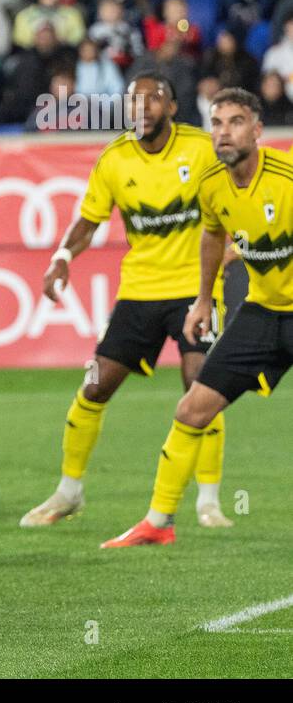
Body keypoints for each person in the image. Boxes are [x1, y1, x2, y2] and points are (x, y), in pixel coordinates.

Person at [23, 74, 230, 529]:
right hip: (139, 292)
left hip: (196, 291)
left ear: (172, 107)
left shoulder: (201, 150)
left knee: (202, 387)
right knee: (94, 385)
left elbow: (236, 196)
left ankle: (209, 502)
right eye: (134, 99)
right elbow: (88, 219)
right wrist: (61, 257)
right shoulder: (115, 159)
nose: (142, 106)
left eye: (153, 98)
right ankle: (69, 491)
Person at [104, 89, 293, 548]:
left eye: (234, 121)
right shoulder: (210, 183)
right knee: (192, 409)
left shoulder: (286, 177)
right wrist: (203, 300)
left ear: (257, 129)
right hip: (263, 312)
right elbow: (212, 236)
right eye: (216, 123)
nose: (223, 132)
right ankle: (158, 522)